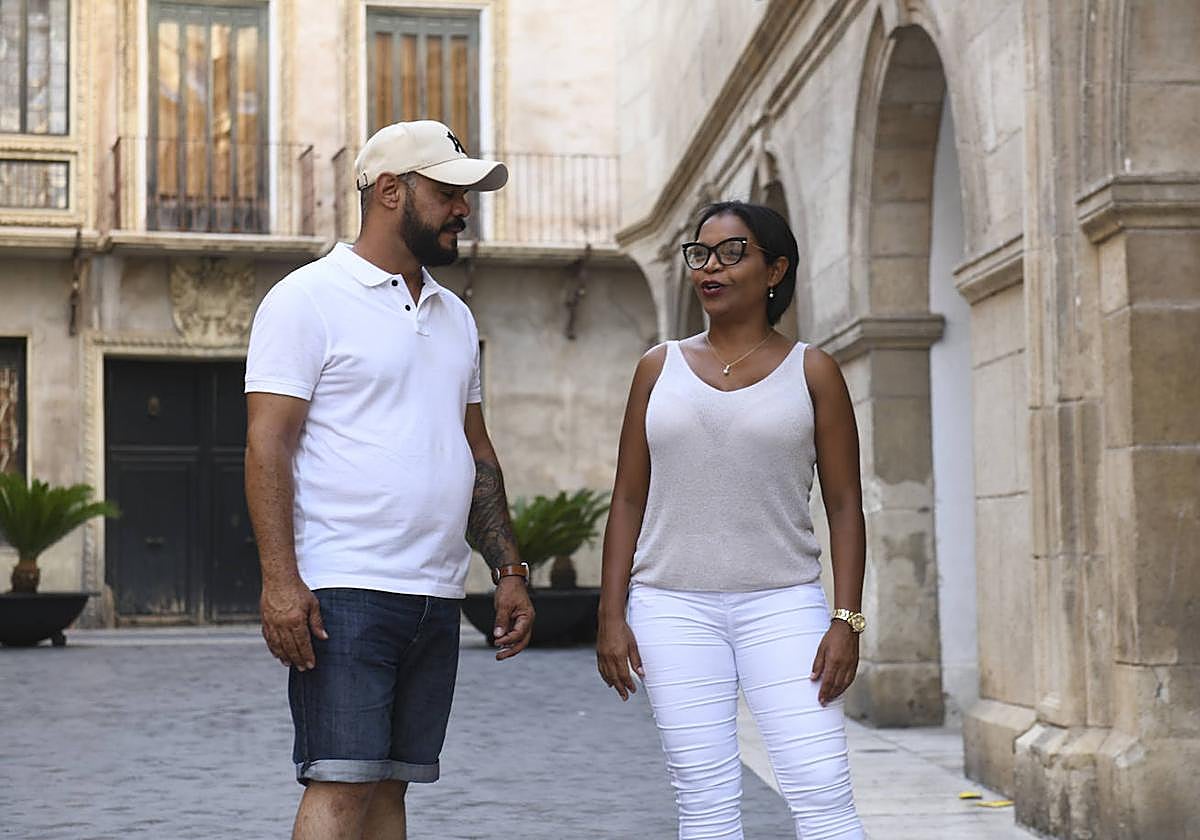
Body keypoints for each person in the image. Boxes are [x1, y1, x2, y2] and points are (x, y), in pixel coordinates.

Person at [244, 119, 534, 840]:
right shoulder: (305, 298)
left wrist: (507, 568)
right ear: (391, 191)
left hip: (433, 593)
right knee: (341, 786)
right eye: (449, 192)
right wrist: (281, 579)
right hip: (343, 590)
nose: (464, 209)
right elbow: (267, 443)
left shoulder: (456, 317)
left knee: (391, 793)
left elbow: (475, 448)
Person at [596, 200, 867, 839]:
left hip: (784, 606)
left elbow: (845, 505)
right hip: (670, 609)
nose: (710, 267)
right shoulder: (656, 367)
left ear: (775, 269)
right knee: (705, 805)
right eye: (700, 254)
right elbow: (628, 497)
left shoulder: (815, 371)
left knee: (823, 793)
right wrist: (611, 615)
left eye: (731, 253)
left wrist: (846, 620)